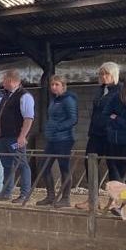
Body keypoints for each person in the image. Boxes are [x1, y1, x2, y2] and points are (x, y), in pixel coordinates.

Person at [75, 61, 121, 210]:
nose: (103, 76)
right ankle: (93, 200)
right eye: (101, 74)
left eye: (106, 73)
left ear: (113, 75)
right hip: (96, 134)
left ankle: (116, 201)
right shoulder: (100, 91)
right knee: (90, 163)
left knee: (114, 167)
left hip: (112, 135)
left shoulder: (120, 91)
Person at [0, 69, 34, 204]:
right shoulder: (5, 96)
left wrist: (22, 136)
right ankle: (6, 192)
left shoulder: (24, 96)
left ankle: (25, 194)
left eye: (3, 80)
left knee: (21, 164)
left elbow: (28, 118)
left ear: (10, 80)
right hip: (3, 137)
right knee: (7, 165)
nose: (2, 83)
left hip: (15, 138)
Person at [37, 76, 77, 207]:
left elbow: (73, 119)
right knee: (44, 166)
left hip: (64, 139)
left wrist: (57, 128)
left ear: (63, 86)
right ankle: (50, 195)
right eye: (52, 84)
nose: (54, 87)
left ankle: (66, 198)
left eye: (57, 84)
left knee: (64, 167)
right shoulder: (55, 100)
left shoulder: (68, 100)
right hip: (53, 139)